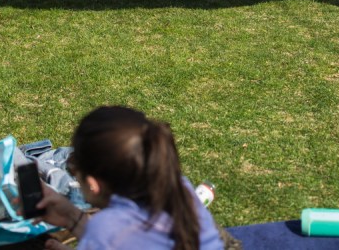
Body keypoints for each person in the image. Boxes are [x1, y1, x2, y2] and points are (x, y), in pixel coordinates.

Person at [31, 106, 224, 250]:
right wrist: (70, 216)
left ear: (92, 184)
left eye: (73, 169)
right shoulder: (181, 189)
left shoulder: (107, 231)